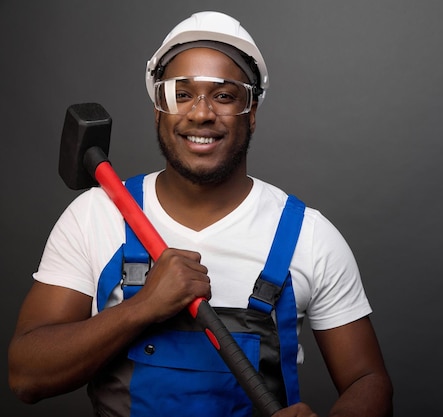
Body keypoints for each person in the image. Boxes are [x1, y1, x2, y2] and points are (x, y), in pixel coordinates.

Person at [8, 11, 393, 417]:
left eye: (224, 96)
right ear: (159, 110)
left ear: (253, 113)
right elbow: (26, 377)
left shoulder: (307, 236)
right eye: (181, 94)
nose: (201, 113)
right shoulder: (94, 217)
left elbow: (368, 380)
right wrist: (142, 307)